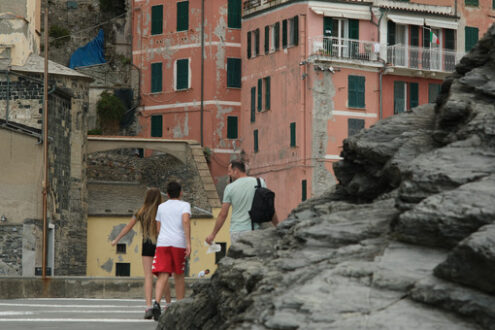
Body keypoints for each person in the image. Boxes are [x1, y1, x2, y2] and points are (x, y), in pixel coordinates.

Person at [111, 187, 171, 320]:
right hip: (161, 243)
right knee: (163, 275)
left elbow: (128, 227)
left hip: (146, 244)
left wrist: (116, 239)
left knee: (148, 276)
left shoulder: (141, 211)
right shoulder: (162, 211)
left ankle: (148, 306)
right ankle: (167, 304)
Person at [205, 160, 279, 246]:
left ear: (236, 171)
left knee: (238, 258)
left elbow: (223, 214)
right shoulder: (260, 182)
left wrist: (213, 234)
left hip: (236, 232)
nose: (228, 174)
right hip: (254, 230)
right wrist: (278, 226)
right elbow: (269, 207)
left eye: (229, 171)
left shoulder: (229, 188)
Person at [151, 181, 191, 321]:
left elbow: (158, 228)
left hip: (163, 243)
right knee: (178, 275)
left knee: (163, 274)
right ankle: (180, 306)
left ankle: (156, 303)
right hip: (178, 243)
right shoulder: (185, 205)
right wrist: (188, 243)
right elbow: (185, 222)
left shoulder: (161, 207)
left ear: (167, 194)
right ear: (180, 192)